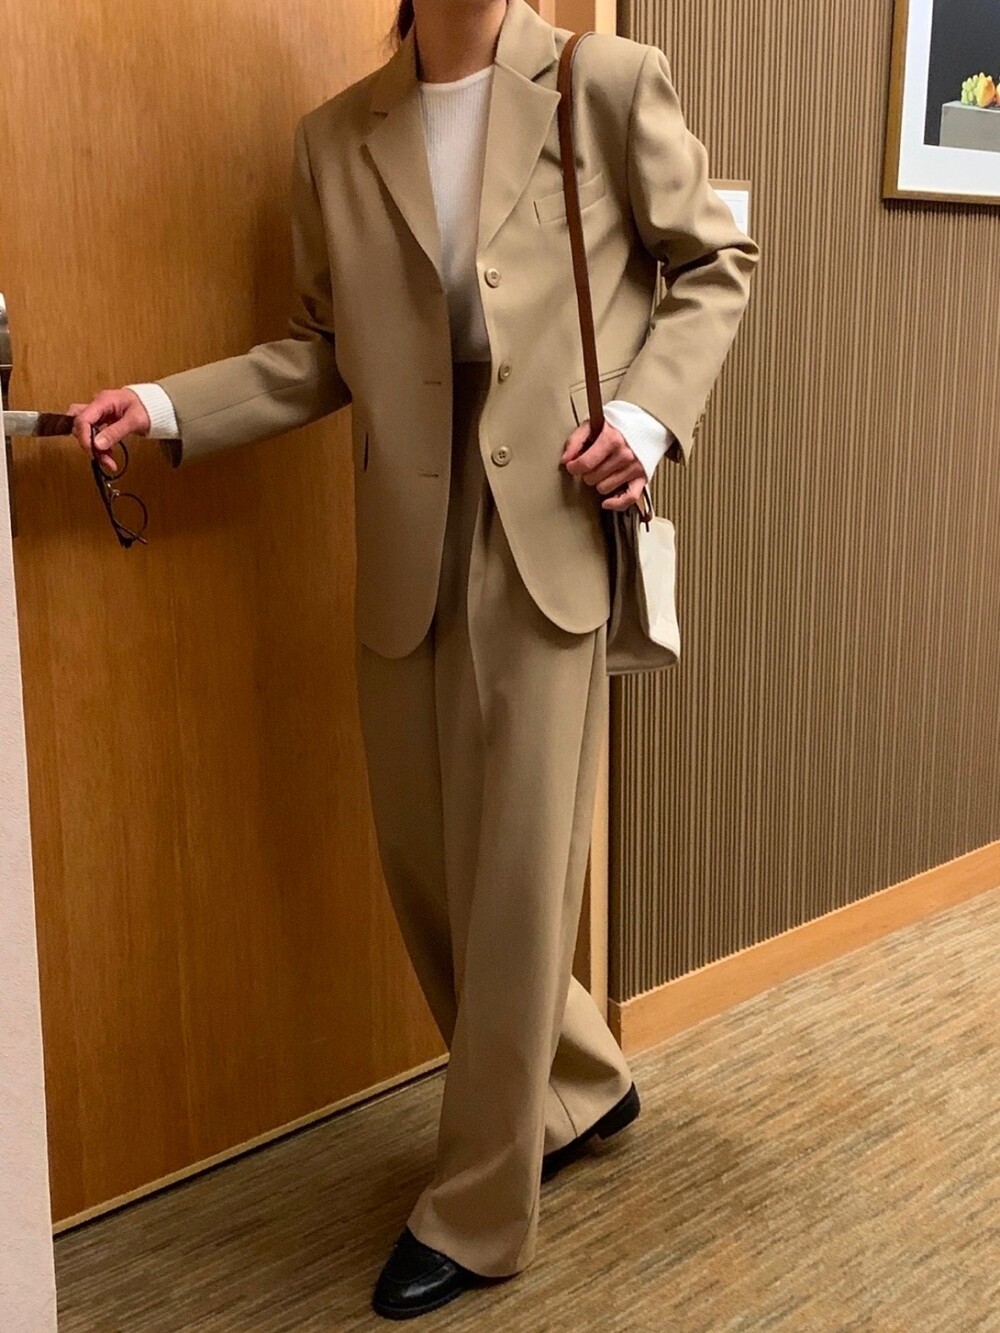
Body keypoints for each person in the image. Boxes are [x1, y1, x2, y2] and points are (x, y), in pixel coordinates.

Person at [70, 0, 758, 1319]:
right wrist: (159, 406)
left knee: (515, 873)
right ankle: (579, 1080)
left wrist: (643, 418)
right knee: (427, 860)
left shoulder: (605, 82)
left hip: (546, 520)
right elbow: (319, 354)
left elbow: (715, 259)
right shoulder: (336, 139)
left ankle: (480, 1206)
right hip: (406, 532)